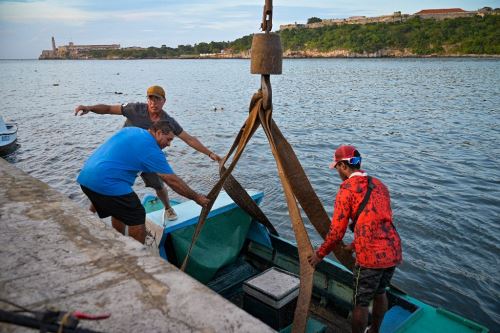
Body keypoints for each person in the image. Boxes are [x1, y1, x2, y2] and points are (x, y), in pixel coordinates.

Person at [74, 85, 220, 221]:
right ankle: (91, 214)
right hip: (128, 154)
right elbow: (109, 109)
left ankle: (168, 208)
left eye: (157, 99)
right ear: (147, 100)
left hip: (149, 157)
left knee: (159, 184)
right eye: (151, 98)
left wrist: (210, 154)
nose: (153, 103)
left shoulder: (168, 122)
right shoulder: (135, 109)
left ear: (164, 101)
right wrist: (89, 108)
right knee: (112, 181)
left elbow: (189, 139)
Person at [307, 145, 402, 333]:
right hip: (393, 250)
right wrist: (352, 246)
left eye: (336, 167)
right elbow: (379, 222)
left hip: (371, 257)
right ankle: (374, 331)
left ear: (343, 166)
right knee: (381, 292)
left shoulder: (346, 190)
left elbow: (336, 232)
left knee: (361, 302)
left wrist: (320, 254)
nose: (337, 172)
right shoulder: (379, 185)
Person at [77, 120, 210, 244]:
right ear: (158, 133)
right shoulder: (151, 149)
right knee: (138, 216)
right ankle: (138, 255)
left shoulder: (132, 130)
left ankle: (120, 242)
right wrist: (197, 197)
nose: (169, 144)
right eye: (168, 139)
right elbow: (172, 180)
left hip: (86, 178)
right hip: (108, 183)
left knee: (118, 210)